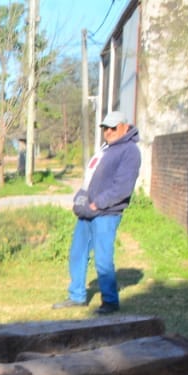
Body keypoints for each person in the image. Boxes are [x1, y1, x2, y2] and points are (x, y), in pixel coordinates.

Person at [53, 110, 141, 315]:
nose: (108, 132)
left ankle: (110, 301)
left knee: (103, 258)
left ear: (124, 127)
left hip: (107, 213)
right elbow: (90, 179)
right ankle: (76, 296)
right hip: (88, 212)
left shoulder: (130, 151)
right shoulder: (106, 148)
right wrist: (81, 198)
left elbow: (123, 188)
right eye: (105, 128)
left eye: (113, 128)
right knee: (77, 254)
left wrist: (97, 204)